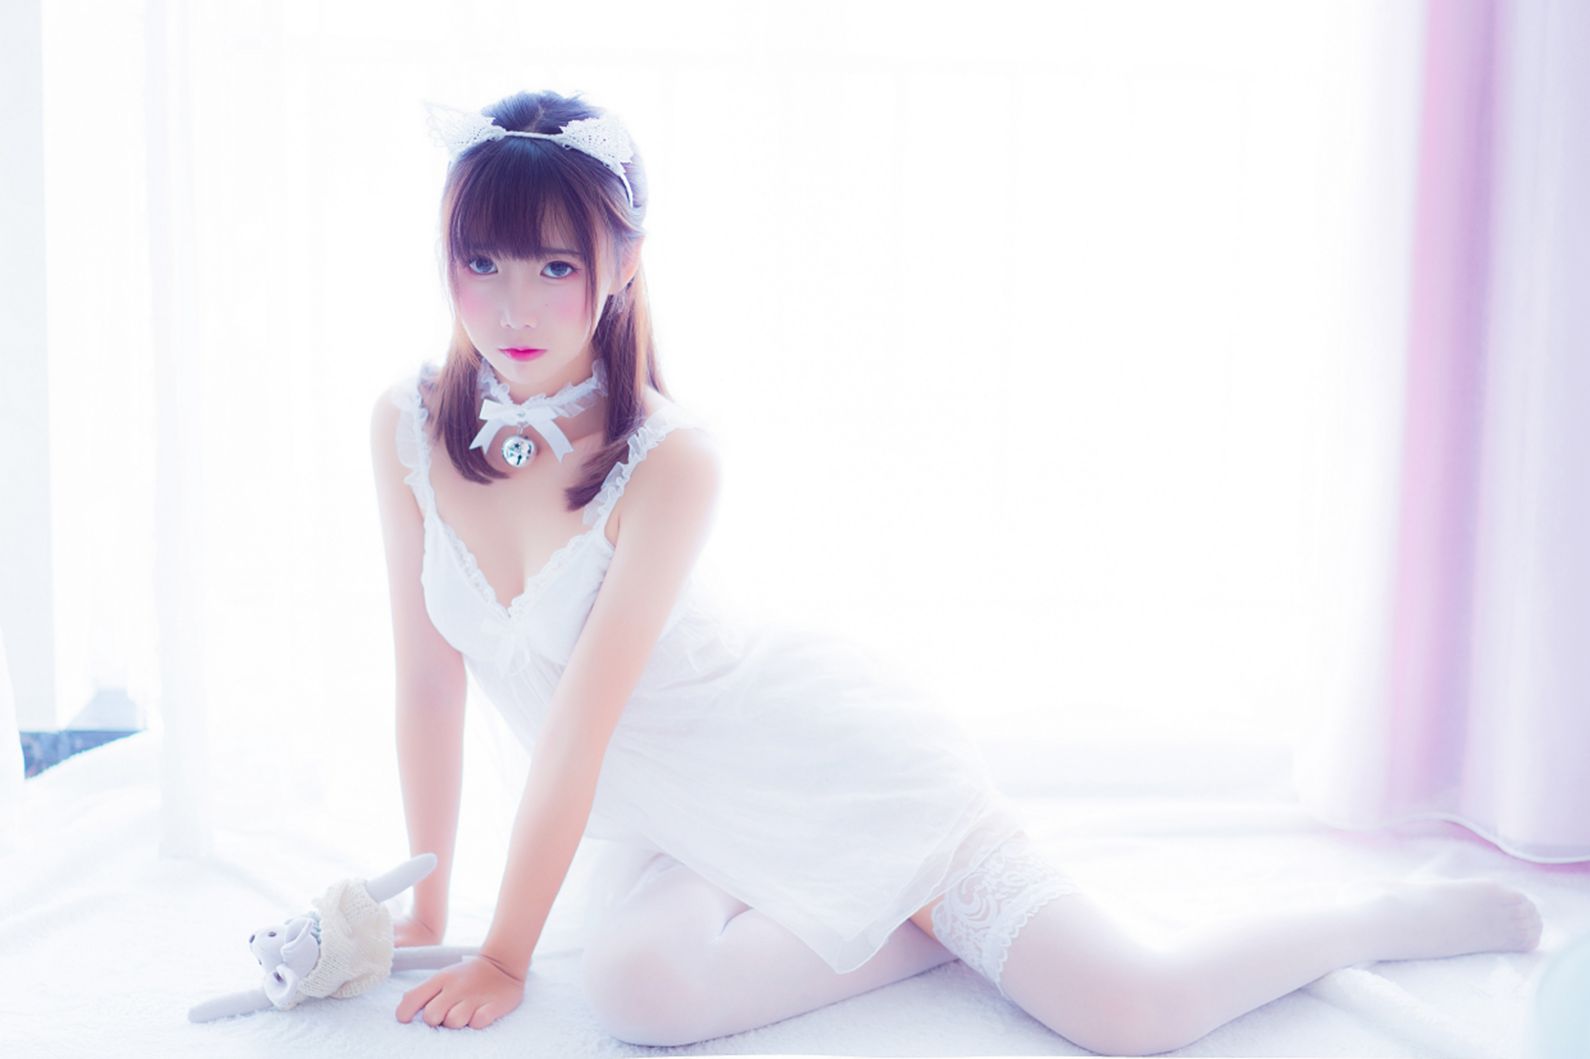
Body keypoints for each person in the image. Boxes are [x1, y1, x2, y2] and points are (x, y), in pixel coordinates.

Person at [368, 89, 1544, 1052]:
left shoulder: (670, 462)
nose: (513, 305)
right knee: (639, 993)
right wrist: (429, 910)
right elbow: (427, 683)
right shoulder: (407, 428)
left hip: (815, 769)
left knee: (1134, 1012)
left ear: (623, 265)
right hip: (672, 823)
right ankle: (907, 924)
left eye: (554, 267)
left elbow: (577, 727)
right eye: (482, 261)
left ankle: (1370, 920)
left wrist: (508, 956)